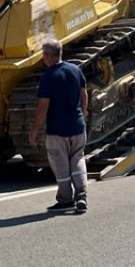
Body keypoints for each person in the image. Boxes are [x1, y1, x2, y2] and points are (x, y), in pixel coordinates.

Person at [28, 39, 90, 213]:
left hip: (57, 129)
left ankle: (65, 199)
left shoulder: (48, 76)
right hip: (77, 126)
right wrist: (83, 113)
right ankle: (82, 196)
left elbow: (43, 107)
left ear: (47, 55)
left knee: (60, 164)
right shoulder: (75, 70)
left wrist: (34, 130)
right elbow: (84, 94)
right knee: (78, 158)